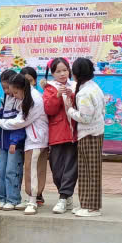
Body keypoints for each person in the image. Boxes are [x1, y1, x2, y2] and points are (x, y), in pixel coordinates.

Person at [66, 58, 106, 218]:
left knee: (91, 172)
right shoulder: (93, 86)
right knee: (84, 171)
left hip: (90, 134)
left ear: (76, 73)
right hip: (92, 132)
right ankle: (85, 204)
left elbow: (85, 117)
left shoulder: (84, 92)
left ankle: (93, 208)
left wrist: (69, 110)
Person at [0, 71, 33, 212]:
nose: (6, 91)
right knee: (0, 171)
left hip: (14, 145)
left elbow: (20, 124)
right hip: (3, 143)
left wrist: (14, 141)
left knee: (12, 171)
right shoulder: (7, 98)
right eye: (3, 88)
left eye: (7, 88)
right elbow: (2, 117)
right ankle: (1, 198)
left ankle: (13, 199)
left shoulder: (21, 100)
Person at [43, 57, 78, 214]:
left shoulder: (75, 86)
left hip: (73, 133)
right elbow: (48, 110)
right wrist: (57, 95)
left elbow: (82, 107)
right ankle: (66, 196)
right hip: (57, 134)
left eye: (65, 70)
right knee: (56, 169)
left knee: (71, 167)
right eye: (58, 71)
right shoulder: (49, 88)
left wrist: (72, 96)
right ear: (52, 74)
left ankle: (63, 197)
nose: (62, 74)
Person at [19, 67, 49, 210]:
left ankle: (32, 200)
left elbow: (23, 120)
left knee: (33, 169)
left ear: (35, 81)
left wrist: (0, 122)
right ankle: (36, 197)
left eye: (29, 81)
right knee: (36, 169)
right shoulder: (29, 96)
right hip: (36, 138)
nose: (27, 84)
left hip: (36, 139)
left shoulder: (34, 97)